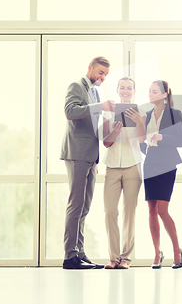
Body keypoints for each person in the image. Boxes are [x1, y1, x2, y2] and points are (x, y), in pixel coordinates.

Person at [61, 56, 115, 270]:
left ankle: (79, 252)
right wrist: (99, 106)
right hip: (76, 153)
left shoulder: (94, 92)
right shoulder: (77, 86)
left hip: (90, 157)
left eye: (106, 75)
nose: (103, 77)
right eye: (100, 72)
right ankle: (69, 256)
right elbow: (70, 112)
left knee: (84, 207)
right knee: (75, 205)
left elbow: (93, 124)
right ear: (90, 68)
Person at [142, 80, 182, 269]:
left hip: (167, 164)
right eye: (149, 91)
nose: (150, 94)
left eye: (154, 91)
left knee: (162, 209)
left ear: (164, 94)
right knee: (151, 209)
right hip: (150, 163)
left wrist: (162, 137)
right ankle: (157, 252)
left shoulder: (174, 114)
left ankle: (177, 250)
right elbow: (141, 141)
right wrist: (146, 145)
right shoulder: (146, 116)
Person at [102, 77, 146, 269]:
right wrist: (114, 131)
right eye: (123, 87)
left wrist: (138, 122)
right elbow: (106, 142)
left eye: (129, 88)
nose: (126, 90)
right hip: (112, 165)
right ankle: (113, 257)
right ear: (118, 90)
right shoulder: (107, 112)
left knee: (130, 212)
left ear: (134, 91)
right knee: (110, 211)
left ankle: (125, 258)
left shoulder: (141, 112)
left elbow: (143, 139)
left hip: (133, 165)